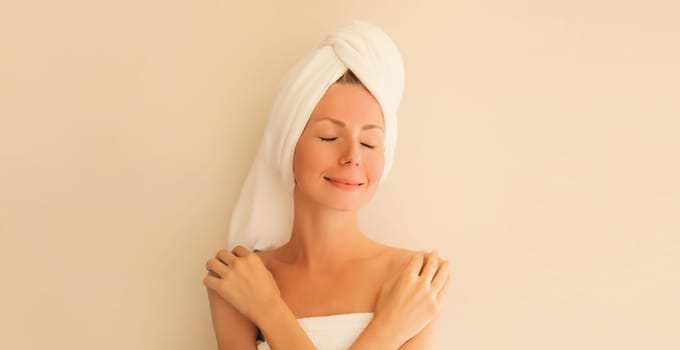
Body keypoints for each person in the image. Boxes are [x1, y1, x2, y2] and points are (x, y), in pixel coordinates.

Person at [203, 21, 451, 349]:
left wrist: (269, 311)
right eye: (329, 136)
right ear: (288, 143)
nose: (352, 157)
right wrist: (387, 332)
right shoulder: (240, 279)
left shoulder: (413, 279)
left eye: (370, 142)